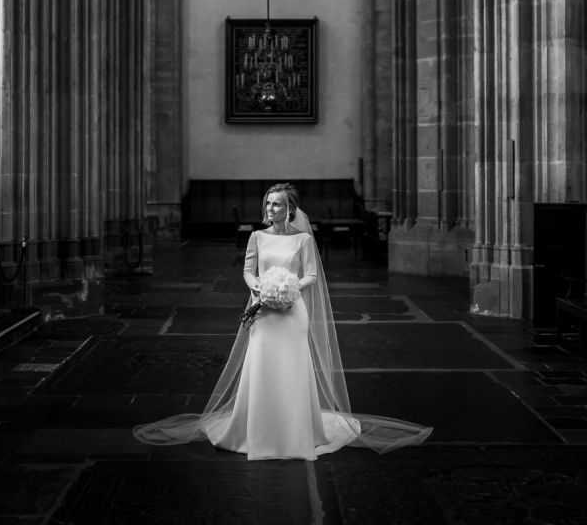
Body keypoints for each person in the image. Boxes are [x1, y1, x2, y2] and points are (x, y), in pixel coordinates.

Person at [132, 182, 432, 460]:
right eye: (268, 204)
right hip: (262, 309)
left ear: (290, 209)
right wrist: (260, 288)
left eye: (276, 205)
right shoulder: (256, 237)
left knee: (292, 367)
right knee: (262, 364)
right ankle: (256, 430)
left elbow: (312, 275)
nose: (270, 209)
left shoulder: (303, 239)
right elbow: (249, 270)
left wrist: (289, 289)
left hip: (292, 311)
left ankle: (295, 431)